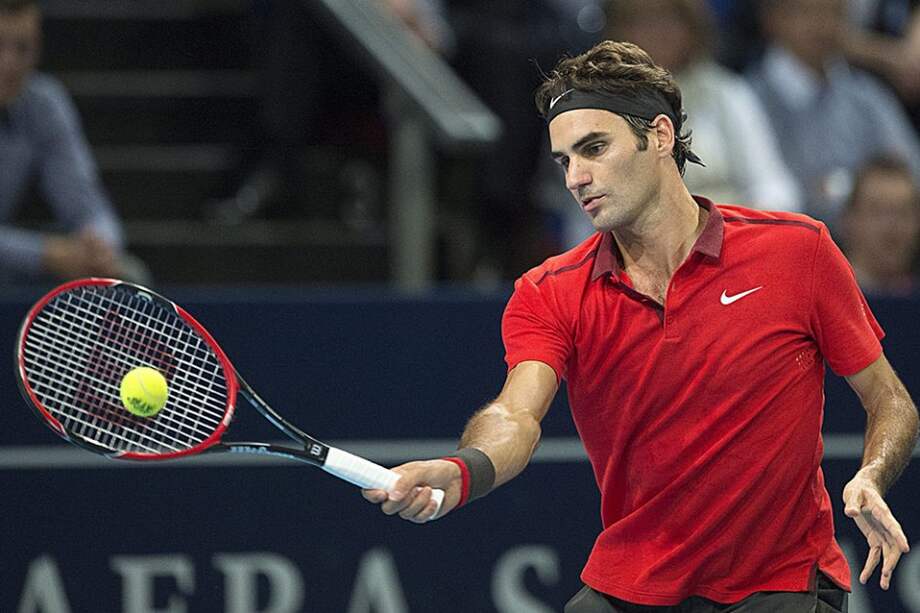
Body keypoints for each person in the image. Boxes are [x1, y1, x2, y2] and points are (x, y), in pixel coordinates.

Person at [363, 40, 919, 611]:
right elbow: (515, 413)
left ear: (658, 136)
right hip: (632, 584)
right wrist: (467, 468)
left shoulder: (797, 251)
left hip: (780, 585)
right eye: (564, 161)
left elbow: (891, 400)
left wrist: (870, 476)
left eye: (594, 149)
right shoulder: (549, 292)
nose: (576, 177)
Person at [537, 0, 802, 249]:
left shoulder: (727, 94)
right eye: (641, 21)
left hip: (732, 240)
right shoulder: (590, 109)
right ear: (616, 32)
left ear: (691, 27)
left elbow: (773, 186)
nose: (657, 32)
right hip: (638, 251)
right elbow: (583, 214)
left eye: (667, 19)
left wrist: (742, 235)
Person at [0, 0, 145, 284]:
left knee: (128, 273)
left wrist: (99, 246)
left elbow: (89, 206)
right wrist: (44, 253)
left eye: (22, 48)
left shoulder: (43, 104)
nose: (9, 63)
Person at [746, 0, 920, 229]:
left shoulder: (866, 94)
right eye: (809, 12)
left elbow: (911, 170)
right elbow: (774, 194)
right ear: (774, 19)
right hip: (792, 241)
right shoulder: (747, 97)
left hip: (871, 244)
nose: (823, 26)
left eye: (835, 13)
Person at [841, 155, 920, 294]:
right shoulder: (823, 302)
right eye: (877, 212)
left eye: (903, 213)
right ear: (850, 219)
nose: (891, 226)